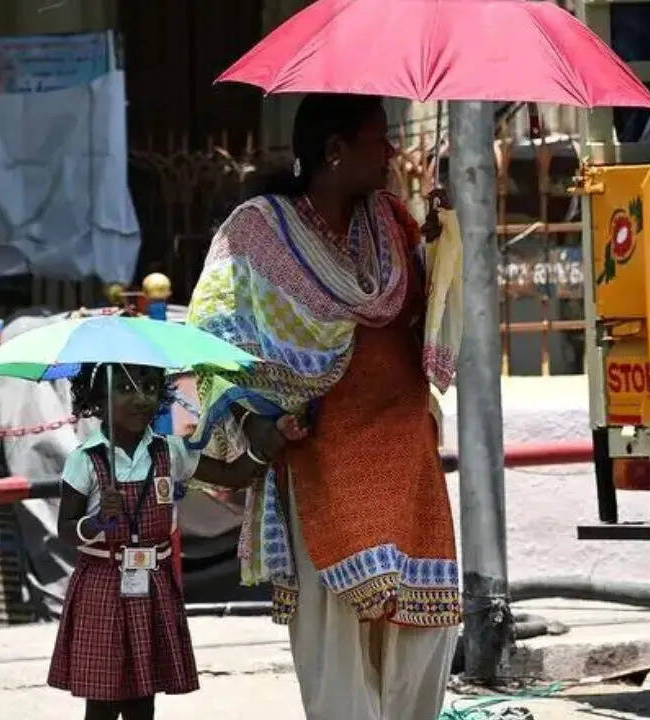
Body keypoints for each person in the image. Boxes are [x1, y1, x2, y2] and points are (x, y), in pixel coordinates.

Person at [186, 93, 462, 720]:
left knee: (423, 625)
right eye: (379, 138)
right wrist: (256, 420)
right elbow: (213, 332)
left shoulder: (394, 220)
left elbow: (423, 322)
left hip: (404, 452)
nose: (393, 151)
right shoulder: (255, 230)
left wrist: (441, 252)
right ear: (335, 151)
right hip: (321, 457)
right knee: (337, 637)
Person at [47, 362, 274, 720]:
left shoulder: (172, 452)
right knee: (103, 698)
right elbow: (65, 530)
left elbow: (234, 476)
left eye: (151, 388)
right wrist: (97, 521)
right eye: (125, 389)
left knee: (144, 696)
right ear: (97, 401)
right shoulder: (85, 461)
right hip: (102, 584)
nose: (141, 399)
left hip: (153, 583)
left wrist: (263, 447)